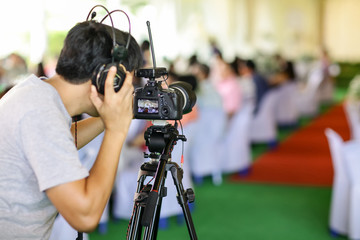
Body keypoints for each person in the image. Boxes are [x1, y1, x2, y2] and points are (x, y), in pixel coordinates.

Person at [0, 19, 143, 239]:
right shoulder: (39, 113)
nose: (126, 89)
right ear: (107, 77)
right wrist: (116, 130)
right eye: (124, 82)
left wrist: (110, 116)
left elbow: (60, 142)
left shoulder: (36, 94)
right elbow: (85, 217)